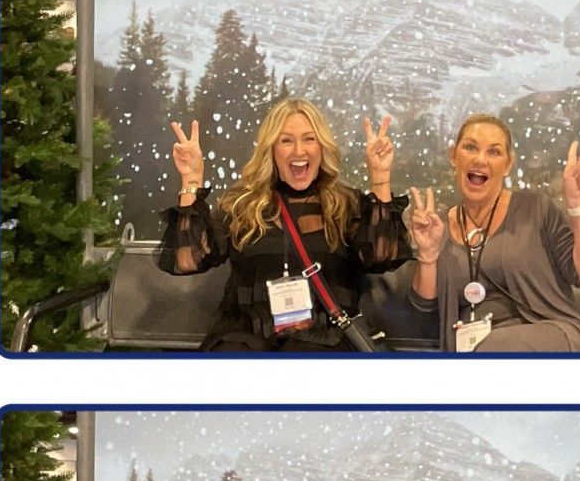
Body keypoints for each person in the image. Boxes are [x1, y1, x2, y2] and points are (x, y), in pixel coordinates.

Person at [159, 98, 412, 351]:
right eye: (286, 140)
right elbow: (188, 260)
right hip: (246, 340)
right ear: (271, 149)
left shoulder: (346, 204)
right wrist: (191, 180)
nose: (299, 151)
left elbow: (382, 257)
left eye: (309, 139)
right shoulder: (242, 205)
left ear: (322, 147)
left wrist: (380, 179)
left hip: (324, 341)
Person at [406, 115, 580, 352]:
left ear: (508, 164)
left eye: (494, 152)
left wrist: (579, 203)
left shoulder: (536, 209)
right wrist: (428, 255)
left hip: (553, 337)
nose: (480, 159)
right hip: (478, 353)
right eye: (470, 147)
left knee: (497, 345)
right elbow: (424, 311)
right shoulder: (438, 226)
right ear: (454, 156)